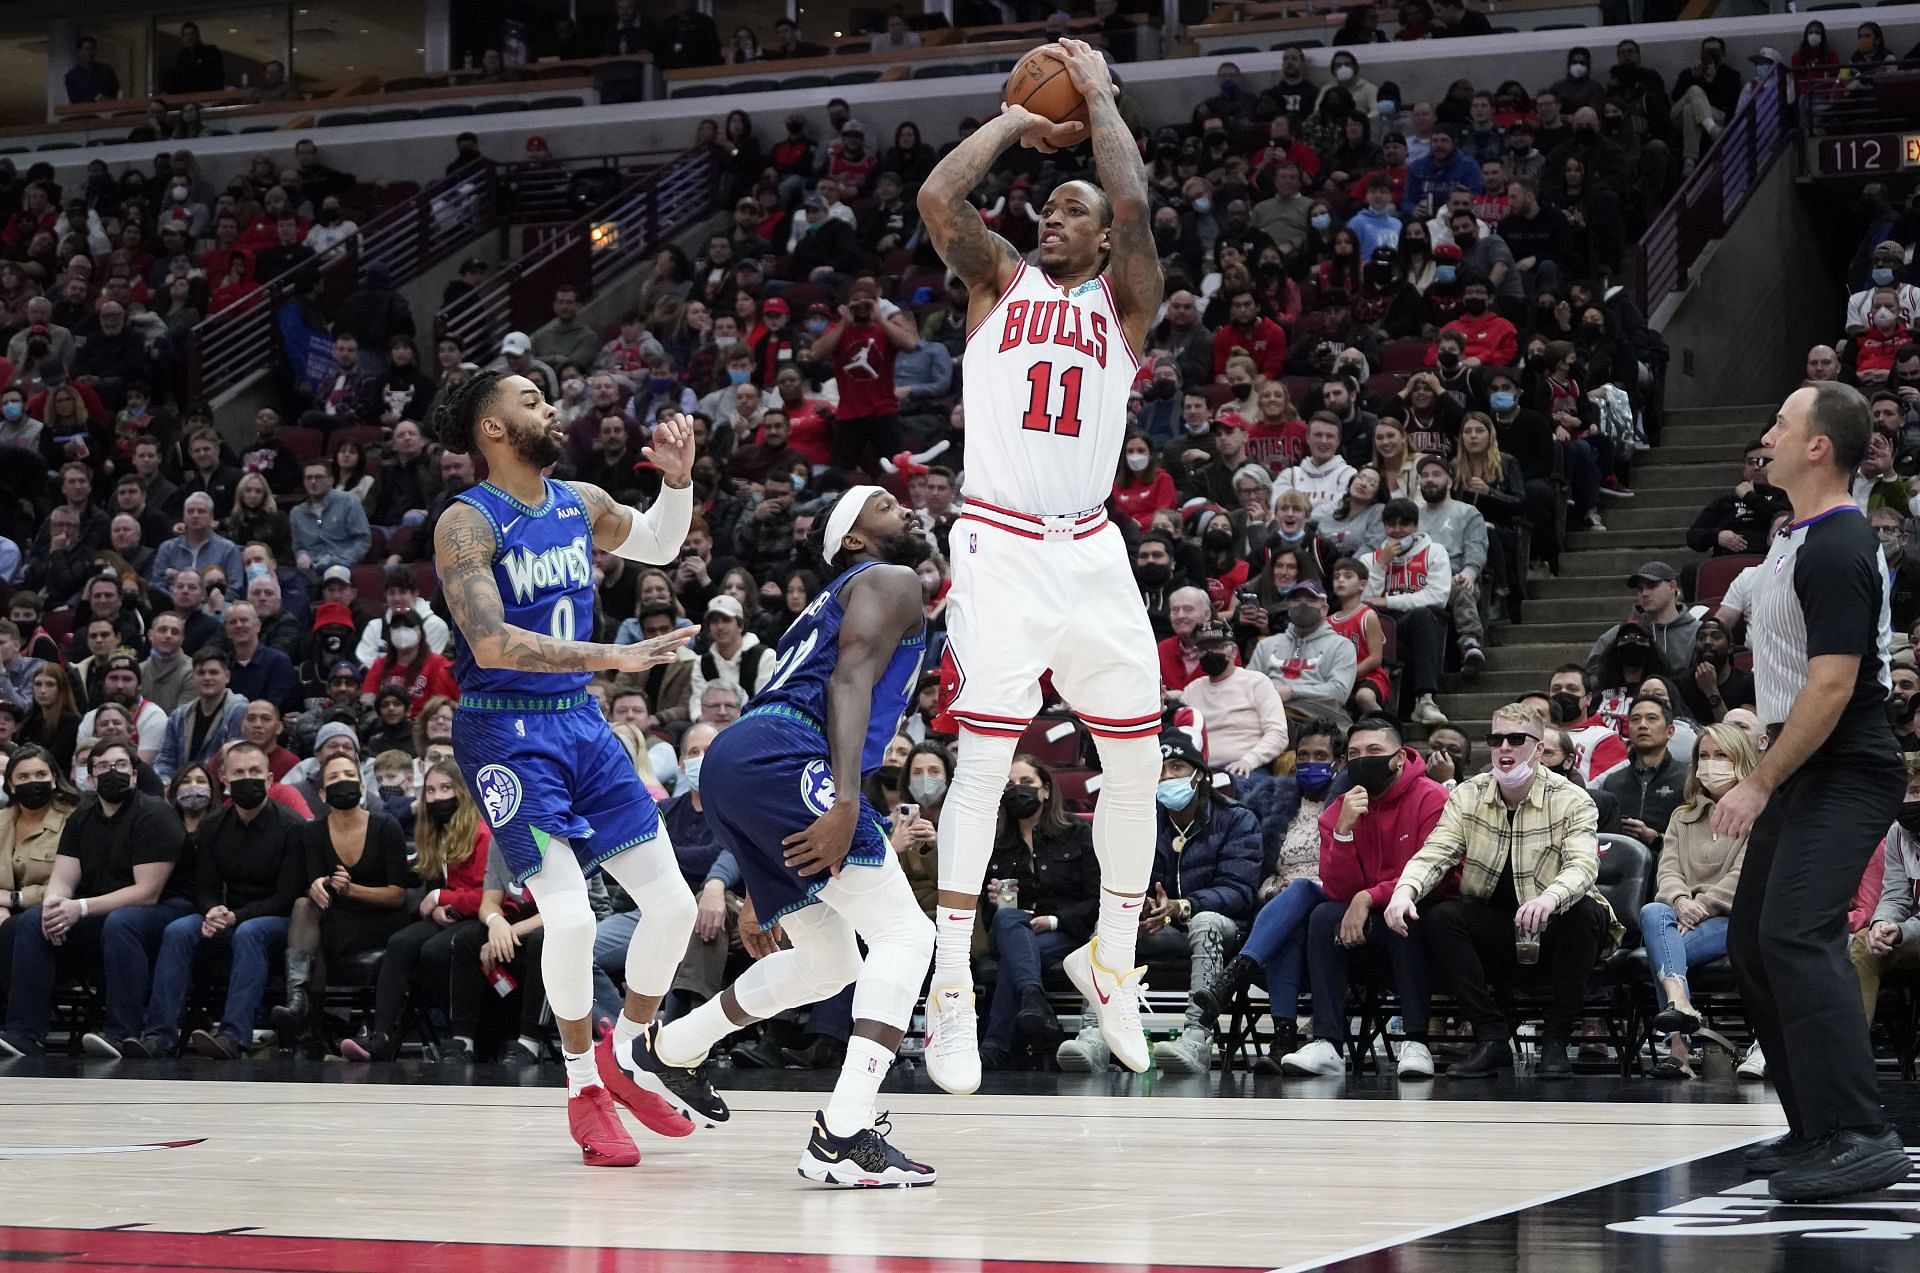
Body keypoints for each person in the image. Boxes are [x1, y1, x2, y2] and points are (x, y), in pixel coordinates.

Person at [914, 39, 1168, 1091]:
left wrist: (1100, 98)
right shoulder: (999, 284)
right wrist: (1021, 119)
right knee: (981, 763)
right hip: (1002, 543)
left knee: (1141, 764)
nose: (1050, 218)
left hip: (1092, 549)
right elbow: (938, 195)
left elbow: (1139, 206)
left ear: (1103, 237)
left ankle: (1110, 957)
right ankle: (949, 986)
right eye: (1046, 208)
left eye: (1072, 209)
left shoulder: (1124, 303)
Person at [620, 488, 936, 1185]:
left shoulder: (822, 607)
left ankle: (670, 1049)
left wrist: (771, 873)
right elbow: (849, 680)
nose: (906, 509)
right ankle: (844, 1134)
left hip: (742, 764)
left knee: (829, 964)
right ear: (853, 539)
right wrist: (849, 798)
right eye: (884, 505)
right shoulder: (891, 578)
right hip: (789, 755)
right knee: (907, 938)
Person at [432, 371, 704, 1169]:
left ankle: (630, 1051)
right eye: (529, 400)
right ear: (491, 429)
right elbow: (488, 643)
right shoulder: (466, 522)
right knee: (574, 917)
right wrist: (609, 656)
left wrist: (678, 482)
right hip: (504, 730)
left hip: (579, 722)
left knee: (674, 906)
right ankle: (584, 1088)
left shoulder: (578, 500)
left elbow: (657, 540)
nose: (549, 408)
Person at [1712, 382, 1909, 1203]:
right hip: (1802, 758)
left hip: (1848, 763)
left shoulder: (1838, 543)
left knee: (1796, 932)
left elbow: (1833, 687)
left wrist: (1759, 781)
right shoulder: (1792, 536)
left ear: (1819, 445)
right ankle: (1817, 1128)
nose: (1769, 434)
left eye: (1782, 424)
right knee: (1754, 944)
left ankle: (1862, 1133)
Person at [1384, 703, 1618, 1080]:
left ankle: (1556, 1042)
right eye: (1495, 740)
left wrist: (1550, 898)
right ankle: (1492, 1039)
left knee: (1586, 913)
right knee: (1443, 917)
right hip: (1495, 925)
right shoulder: (1467, 795)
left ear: (1539, 749)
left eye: (1515, 739)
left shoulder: (1572, 798)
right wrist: (1404, 891)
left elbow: (1583, 866)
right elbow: (1436, 852)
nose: (1504, 748)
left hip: (1553, 922)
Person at [1279, 717, 1449, 1079]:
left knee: (1404, 914)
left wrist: (1369, 897)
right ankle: (1327, 1043)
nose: (1362, 760)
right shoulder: (1340, 807)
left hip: (1420, 923)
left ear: (1400, 757)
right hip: (1365, 929)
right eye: (1354, 753)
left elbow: (1432, 872)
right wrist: (1342, 832)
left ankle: (1416, 1041)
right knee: (1324, 915)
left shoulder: (1433, 797)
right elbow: (1338, 889)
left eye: (1374, 752)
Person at [0, 740, 191, 1058]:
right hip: (102, 908)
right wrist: (55, 908)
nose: (111, 772)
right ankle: (24, 1032)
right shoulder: (82, 817)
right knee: (33, 921)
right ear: (90, 776)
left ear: (134, 773)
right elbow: (62, 878)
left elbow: (147, 892)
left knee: (122, 922)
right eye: (103, 766)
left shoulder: (155, 813)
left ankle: (122, 1032)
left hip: (167, 908)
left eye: (120, 766)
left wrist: (80, 908)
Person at [126, 743, 305, 1059]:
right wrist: (212, 910)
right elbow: (205, 887)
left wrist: (236, 916)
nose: (246, 778)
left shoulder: (292, 827)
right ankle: (159, 1036)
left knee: (252, 933)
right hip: (227, 915)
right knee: (179, 930)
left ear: (270, 778)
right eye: (238, 772)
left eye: (254, 772)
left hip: (278, 922)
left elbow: (286, 897)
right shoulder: (213, 825)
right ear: (223, 778)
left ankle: (233, 1036)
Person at [342, 760, 493, 1062]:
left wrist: (440, 897)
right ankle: (381, 1037)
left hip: (483, 919)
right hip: (451, 917)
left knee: (435, 951)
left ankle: (468, 1036)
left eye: (446, 788)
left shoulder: (482, 833)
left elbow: (488, 897)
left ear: (463, 792)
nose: (437, 797)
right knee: (400, 943)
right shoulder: (434, 833)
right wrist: (437, 906)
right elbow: (431, 891)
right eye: (431, 791)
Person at [1638, 723, 1755, 1080]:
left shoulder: (1757, 814)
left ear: (1741, 761)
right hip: (1679, 915)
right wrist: (1680, 901)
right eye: (1703, 756)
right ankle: (1681, 1002)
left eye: (1721, 756)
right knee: (1652, 909)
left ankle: (1678, 1050)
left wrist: (1698, 907)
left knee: (1662, 945)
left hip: (1733, 918)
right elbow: (1668, 870)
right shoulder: (1682, 816)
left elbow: (1743, 875)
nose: (1710, 763)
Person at [978, 755, 1097, 1070]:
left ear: (1045, 790)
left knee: (1014, 959)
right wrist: (996, 902)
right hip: (1021, 931)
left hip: (1070, 931)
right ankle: (1033, 1000)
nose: (1018, 790)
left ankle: (996, 1043)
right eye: (1011, 785)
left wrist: (1055, 920)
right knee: (1008, 922)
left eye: (1027, 783)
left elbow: (1097, 899)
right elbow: (995, 921)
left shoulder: (1077, 833)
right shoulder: (998, 846)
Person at [1363, 498, 1453, 727]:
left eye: (1404, 525)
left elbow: (1437, 597)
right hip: (1382, 627)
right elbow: (1362, 600)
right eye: (1391, 525)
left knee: (1422, 615)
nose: (1397, 531)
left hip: (1424, 623)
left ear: (1415, 526)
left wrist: (1387, 600)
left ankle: (1426, 699)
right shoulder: (1369, 559)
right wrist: (1381, 564)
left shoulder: (1435, 552)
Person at [0, 746, 77, 1005]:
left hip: (49, 912)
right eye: (23, 777)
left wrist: (14, 899)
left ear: (54, 779)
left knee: (15, 929)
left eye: (40, 774)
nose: (33, 782)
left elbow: (72, 883)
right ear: (10, 786)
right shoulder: (1, 820)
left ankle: (14, 1024)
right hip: (4, 912)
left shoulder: (73, 821)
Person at [1849, 751, 1920, 1031]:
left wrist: (1902, 931)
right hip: (1913, 931)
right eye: (1903, 794)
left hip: (1913, 930)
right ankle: (1850, 1051)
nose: (1908, 802)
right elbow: (1894, 895)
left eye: (1917, 791)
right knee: (1866, 943)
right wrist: (1882, 923)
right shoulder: (1897, 834)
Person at [1249, 581, 1356, 731]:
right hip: (1266, 711)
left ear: (1324, 609)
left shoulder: (1341, 645)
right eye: (1296, 600)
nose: (1302, 605)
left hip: (1316, 716)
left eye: (1311, 600)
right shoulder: (1267, 645)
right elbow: (1248, 685)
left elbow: (1339, 692)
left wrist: (1292, 692)